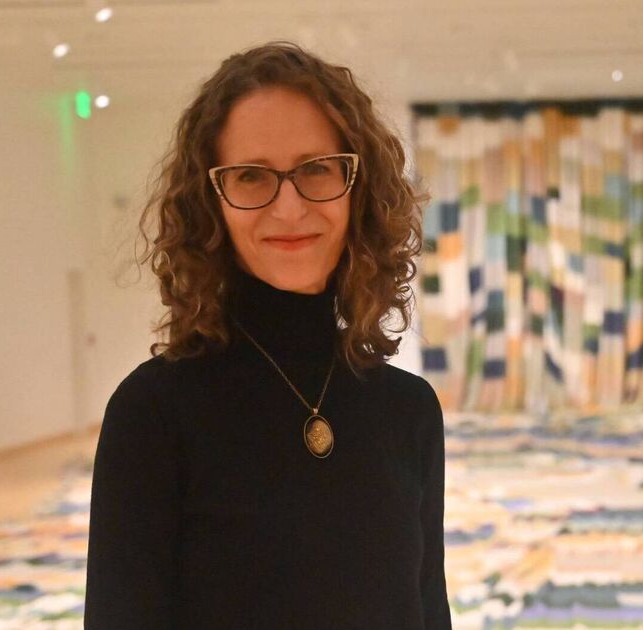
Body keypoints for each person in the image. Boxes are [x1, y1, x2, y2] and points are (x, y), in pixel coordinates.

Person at [83, 41, 451, 629]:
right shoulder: (154, 414)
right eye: (251, 176)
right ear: (212, 202)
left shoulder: (409, 412)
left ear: (358, 187)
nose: (289, 208)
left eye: (316, 169)